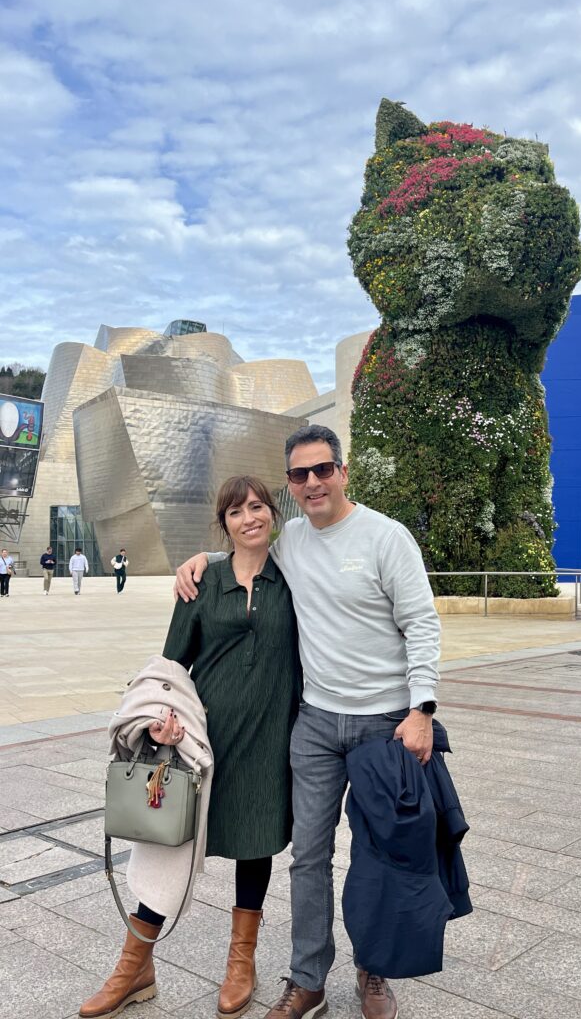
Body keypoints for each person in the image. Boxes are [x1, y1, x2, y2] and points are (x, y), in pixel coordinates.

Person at [175, 424, 441, 1019]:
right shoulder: (290, 538)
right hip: (315, 724)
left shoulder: (385, 537)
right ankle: (308, 980)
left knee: (378, 853)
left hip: (385, 724)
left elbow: (422, 624)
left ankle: (373, 972)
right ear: (290, 485)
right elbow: (245, 548)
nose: (313, 482)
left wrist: (422, 709)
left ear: (343, 472)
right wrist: (201, 560)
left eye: (323, 470)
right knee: (309, 858)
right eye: (300, 474)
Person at [80, 476, 302, 1019]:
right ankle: (135, 965)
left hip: (270, 740)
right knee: (169, 845)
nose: (249, 518)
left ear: (272, 513)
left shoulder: (295, 579)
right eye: (235, 512)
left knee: (255, 844)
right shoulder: (201, 583)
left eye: (256, 507)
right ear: (223, 524)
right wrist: (163, 723)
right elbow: (171, 668)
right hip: (202, 740)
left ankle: (240, 962)